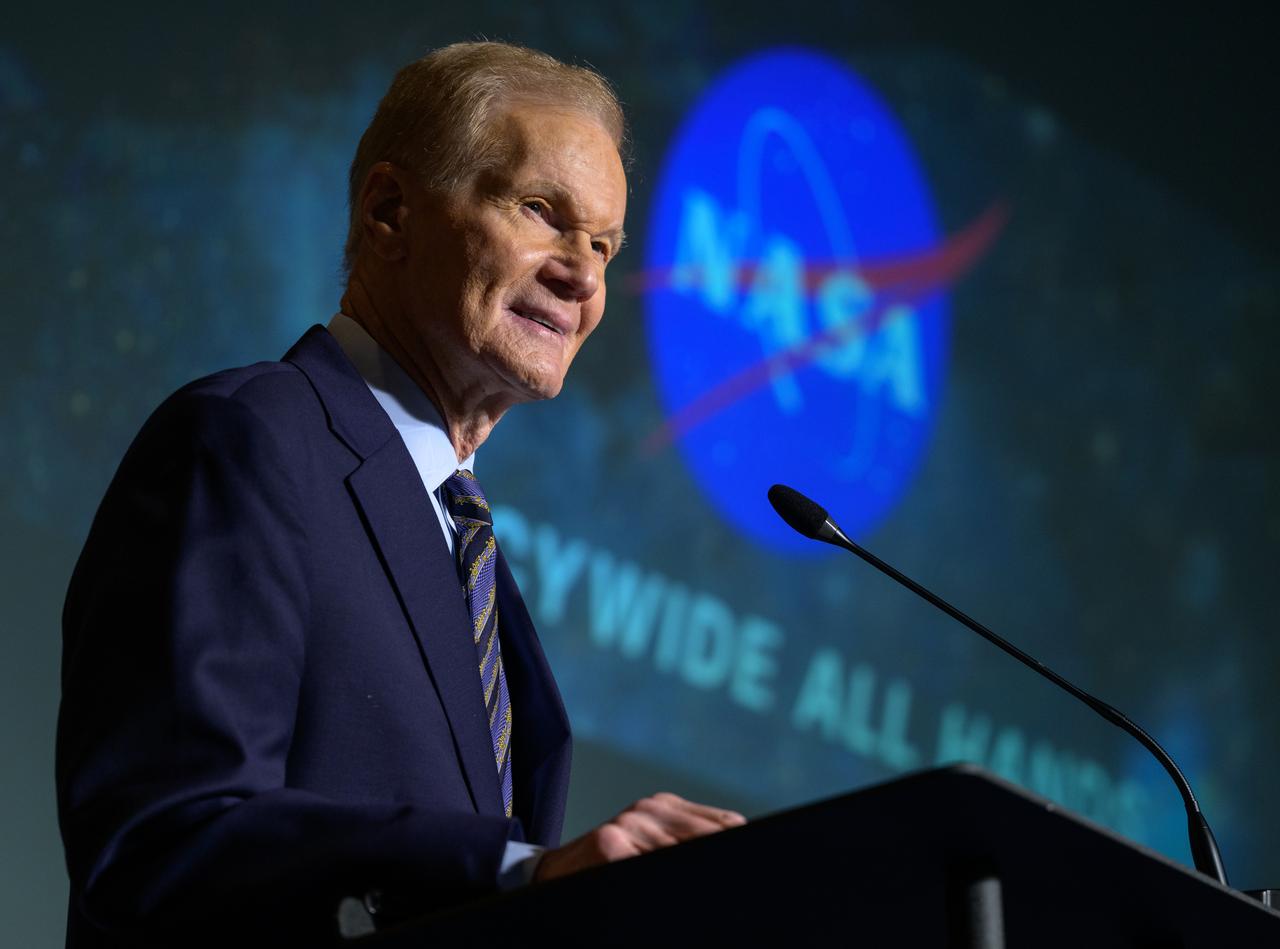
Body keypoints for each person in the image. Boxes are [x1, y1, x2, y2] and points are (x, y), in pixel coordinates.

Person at [56, 41, 744, 947]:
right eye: (542, 211)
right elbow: (161, 834)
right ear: (388, 211)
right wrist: (517, 876)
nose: (582, 273)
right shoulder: (251, 437)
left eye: (605, 245)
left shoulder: (465, 544)